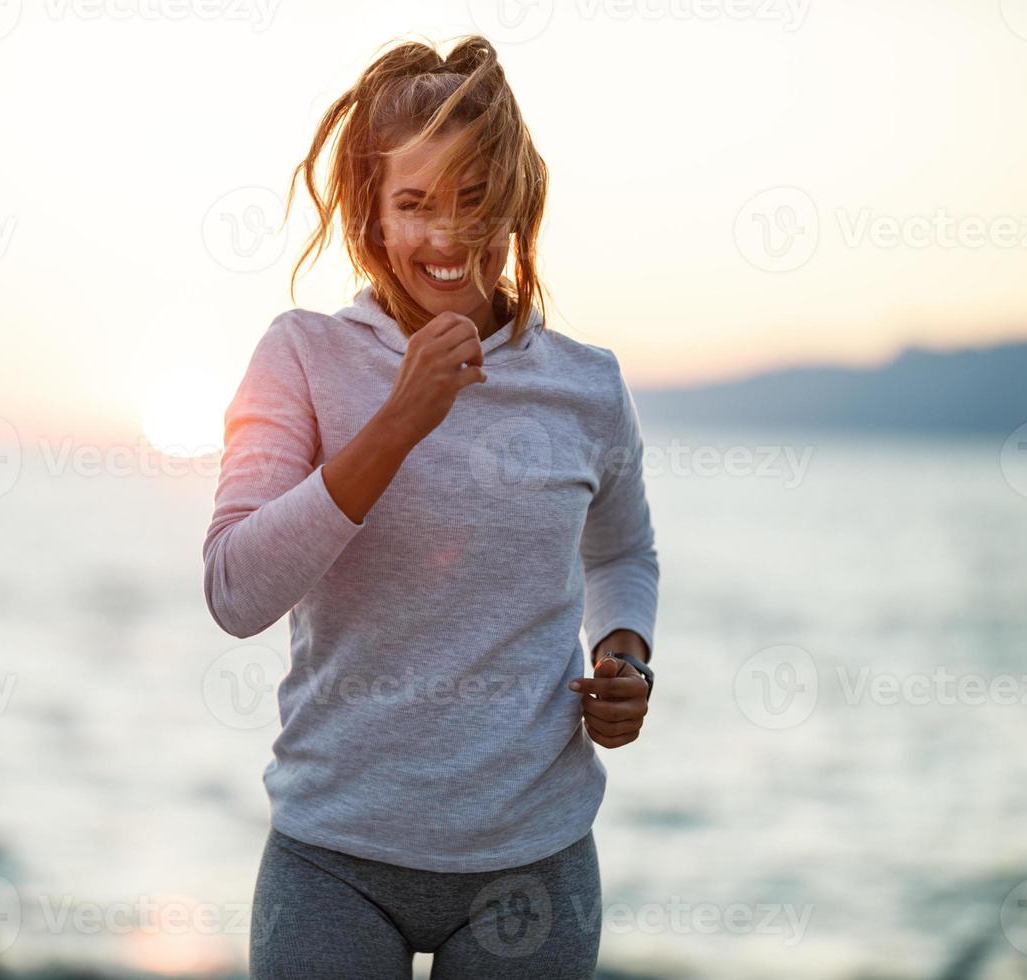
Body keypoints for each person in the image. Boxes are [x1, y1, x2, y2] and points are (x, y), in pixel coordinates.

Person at [201, 33, 660, 979]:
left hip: (531, 861)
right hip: (333, 856)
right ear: (371, 210)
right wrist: (398, 421)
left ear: (518, 211)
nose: (447, 238)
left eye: (477, 205)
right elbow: (236, 591)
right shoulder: (301, 356)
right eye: (414, 203)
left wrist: (627, 656)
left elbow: (621, 555)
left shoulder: (588, 386)